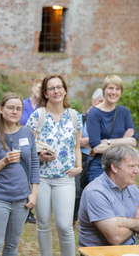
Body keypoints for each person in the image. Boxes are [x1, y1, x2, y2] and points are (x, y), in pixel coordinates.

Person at [26, 75, 82, 256]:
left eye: (59, 87)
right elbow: (26, 147)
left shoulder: (74, 116)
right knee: (43, 224)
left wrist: (79, 166)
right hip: (40, 178)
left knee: (65, 226)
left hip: (65, 178)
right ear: (45, 93)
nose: (56, 91)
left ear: (65, 90)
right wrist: (39, 157)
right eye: (51, 88)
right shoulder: (38, 115)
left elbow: (77, 146)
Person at [0, 93, 40, 255]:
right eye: (10, 108)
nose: (15, 112)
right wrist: (3, 162)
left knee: (12, 246)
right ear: (1, 109)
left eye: (18, 109)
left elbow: (34, 165)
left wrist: (34, 193)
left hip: (22, 201)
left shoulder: (27, 133)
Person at [79, 144, 139, 247]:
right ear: (114, 167)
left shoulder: (131, 187)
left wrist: (122, 222)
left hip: (130, 251)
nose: (137, 171)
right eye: (131, 166)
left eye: (137, 166)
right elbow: (116, 238)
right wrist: (135, 223)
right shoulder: (95, 192)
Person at [86, 75, 137, 183]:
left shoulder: (124, 112)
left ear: (121, 92)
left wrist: (107, 142)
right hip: (100, 167)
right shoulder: (94, 113)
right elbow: (96, 148)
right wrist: (124, 142)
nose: (113, 92)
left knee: (122, 199)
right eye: (110, 88)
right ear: (104, 90)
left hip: (121, 167)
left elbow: (133, 142)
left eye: (117, 89)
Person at [73, 88, 104, 226]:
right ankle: (73, 218)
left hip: (97, 159)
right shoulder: (82, 117)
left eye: (103, 102)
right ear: (93, 100)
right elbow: (77, 140)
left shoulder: (106, 118)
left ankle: (91, 219)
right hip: (83, 158)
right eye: (99, 101)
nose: (101, 104)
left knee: (93, 191)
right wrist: (93, 141)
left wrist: (90, 140)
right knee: (77, 191)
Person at [20, 77, 42, 224]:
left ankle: (30, 209)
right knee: (22, 175)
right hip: (22, 144)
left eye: (41, 88)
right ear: (33, 87)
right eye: (37, 87)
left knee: (33, 177)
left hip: (38, 146)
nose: (38, 90)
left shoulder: (43, 107)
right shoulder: (22, 104)